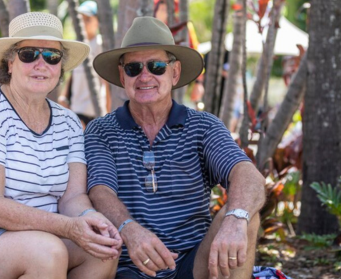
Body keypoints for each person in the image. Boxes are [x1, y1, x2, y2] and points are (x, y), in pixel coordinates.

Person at [0, 12, 121, 279]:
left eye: (52, 56)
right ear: (10, 62)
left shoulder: (68, 122)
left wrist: (87, 218)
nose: (41, 63)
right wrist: (69, 228)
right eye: (29, 54)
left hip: (38, 236)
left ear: (60, 66)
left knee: (101, 250)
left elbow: (72, 197)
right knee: (46, 253)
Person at [86, 17, 266, 279]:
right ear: (122, 75)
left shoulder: (203, 126)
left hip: (194, 263)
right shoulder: (101, 130)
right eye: (134, 68)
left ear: (175, 72)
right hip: (130, 265)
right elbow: (100, 191)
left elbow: (247, 174)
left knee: (244, 215)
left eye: (157, 66)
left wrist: (236, 220)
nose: (145, 76)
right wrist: (129, 228)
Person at [58, 0, 109, 127]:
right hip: (76, 107)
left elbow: (105, 82)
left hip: (93, 109)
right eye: (82, 19)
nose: (84, 23)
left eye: (88, 19)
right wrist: (63, 96)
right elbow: (74, 73)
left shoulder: (99, 45)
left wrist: (107, 111)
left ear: (97, 21)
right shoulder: (78, 45)